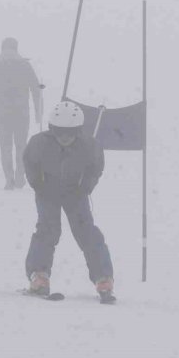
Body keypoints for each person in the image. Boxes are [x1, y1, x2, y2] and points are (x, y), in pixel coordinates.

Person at [23, 101, 116, 303]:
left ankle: (103, 277)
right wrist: (38, 184)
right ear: (52, 130)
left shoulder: (89, 145)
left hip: (76, 192)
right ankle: (39, 275)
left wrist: (85, 187)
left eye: (70, 133)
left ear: (78, 131)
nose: (65, 139)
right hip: (48, 190)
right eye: (60, 133)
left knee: (87, 231)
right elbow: (29, 162)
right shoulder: (39, 143)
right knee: (48, 229)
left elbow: (96, 167)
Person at [0, 37, 42, 189]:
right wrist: (38, 113)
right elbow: (36, 90)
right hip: (22, 113)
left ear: (2, 48)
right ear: (16, 48)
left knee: (5, 146)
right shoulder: (25, 65)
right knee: (21, 146)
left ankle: (9, 179)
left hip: (1, 115)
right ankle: (20, 177)